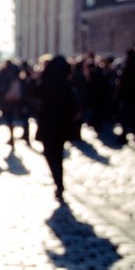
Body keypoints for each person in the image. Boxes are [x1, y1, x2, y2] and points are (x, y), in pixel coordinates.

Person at [35, 55, 76, 203]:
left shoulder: (46, 82)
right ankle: (59, 182)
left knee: (51, 154)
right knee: (57, 155)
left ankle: (58, 182)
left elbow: (35, 95)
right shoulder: (66, 83)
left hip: (48, 124)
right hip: (62, 125)